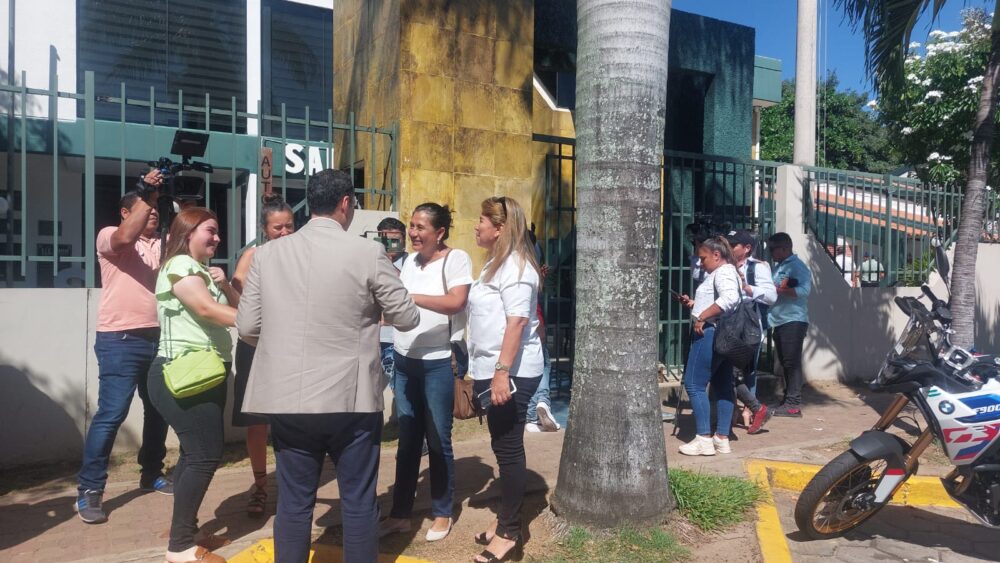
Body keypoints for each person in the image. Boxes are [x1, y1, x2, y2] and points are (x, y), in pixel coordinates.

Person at [236, 169, 419, 563]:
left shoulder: (267, 255)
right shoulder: (368, 252)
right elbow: (406, 317)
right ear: (345, 203)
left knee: (295, 502)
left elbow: (248, 326)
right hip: (349, 399)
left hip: (289, 397)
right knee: (357, 501)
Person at [76, 170, 172, 524]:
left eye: (156, 211)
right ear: (125, 213)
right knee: (111, 415)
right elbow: (123, 239)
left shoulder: (161, 243)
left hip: (158, 337)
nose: (153, 214)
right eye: (146, 210)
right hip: (120, 340)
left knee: (158, 410)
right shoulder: (109, 236)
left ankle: (151, 473)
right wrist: (147, 195)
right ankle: (90, 489)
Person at [147, 207, 239, 563]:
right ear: (187, 233)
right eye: (210, 231)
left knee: (193, 454)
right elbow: (205, 310)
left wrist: (225, 284)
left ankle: (182, 530)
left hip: (204, 373)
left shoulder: (201, 271)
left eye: (217, 233)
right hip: (184, 373)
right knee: (205, 455)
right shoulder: (179, 266)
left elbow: (231, 307)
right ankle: (181, 548)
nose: (217, 238)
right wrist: (270, 323)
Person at [380, 203, 472, 542]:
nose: (414, 233)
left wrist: (410, 296)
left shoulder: (456, 259)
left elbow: (456, 302)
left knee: (437, 439)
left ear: (440, 232)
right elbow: (399, 308)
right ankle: (400, 514)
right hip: (405, 361)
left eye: (420, 227)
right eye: (412, 226)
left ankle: (442, 511)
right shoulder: (409, 264)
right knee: (407, 441)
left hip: (437, 362)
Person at [467, 196, 544, 563]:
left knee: (509, 452)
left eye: (481, 220)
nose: (476, 226)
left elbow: (517, 322)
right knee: (503, 449)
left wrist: (501, 375)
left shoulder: (515, 267)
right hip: (493, 370)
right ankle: (504, 522)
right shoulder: (494, 266)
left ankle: (510, 532)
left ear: (500, 228)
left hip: (511, 373)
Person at [229, 192, 295, 517]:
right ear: (264, 228)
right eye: (277, 227)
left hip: (290, 345)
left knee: (290, 419)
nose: (284, 233)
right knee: (256, 423)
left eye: (289, 226)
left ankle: (291, 486)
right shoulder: (253, 255)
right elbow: (238, 294)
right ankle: (260, 486)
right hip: (254, 347)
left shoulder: (301, 256)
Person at [676, 236, 741, 456]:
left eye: (703, 258)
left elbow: (729, 299)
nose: (700, 263)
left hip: (710, 332)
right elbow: (721, 299)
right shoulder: (723, 273)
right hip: (722, 333)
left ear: (716, 255)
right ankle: (721, 438)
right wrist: (694, 305)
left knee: (694, 384)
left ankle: (703, 438)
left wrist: (702, 316)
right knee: (723, 386)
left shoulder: (723, 272)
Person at [726, 230, 777, 435]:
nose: (730, 248)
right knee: (729, 370)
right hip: (729, 325)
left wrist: (749, 289)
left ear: (746, 248)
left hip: (749, 326)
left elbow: (772, 297)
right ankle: (741, 410)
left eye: (734, 245)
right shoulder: (725, 265)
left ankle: (750, 410)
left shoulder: (758, 268)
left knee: (748, 371)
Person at [767, 232, 813, 418]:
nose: (770, 253)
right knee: (786, 362)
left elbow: (804, 290)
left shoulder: (797, 267)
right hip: (779, 320)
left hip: (793, 320)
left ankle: (793, 404)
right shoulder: (779, 267)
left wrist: (779, 290)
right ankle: (788, 399)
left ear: (784, 248)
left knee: (791, 362)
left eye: (773, 249)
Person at [524, 228, 560, 433]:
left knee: (528, 366)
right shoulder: (530, 266)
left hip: (523, 322)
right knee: (543, 363)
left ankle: (530, 416)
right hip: (535, 320)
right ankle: (542, 403)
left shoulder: (514, 264)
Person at [376, 216, 409, 383]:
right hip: (373, 339)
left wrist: (390, 268)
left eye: (395, 240)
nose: (390, 245)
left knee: (400, 389)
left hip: (399, 340)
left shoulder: (413, 265)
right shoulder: (369, 262)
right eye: (386, 240)